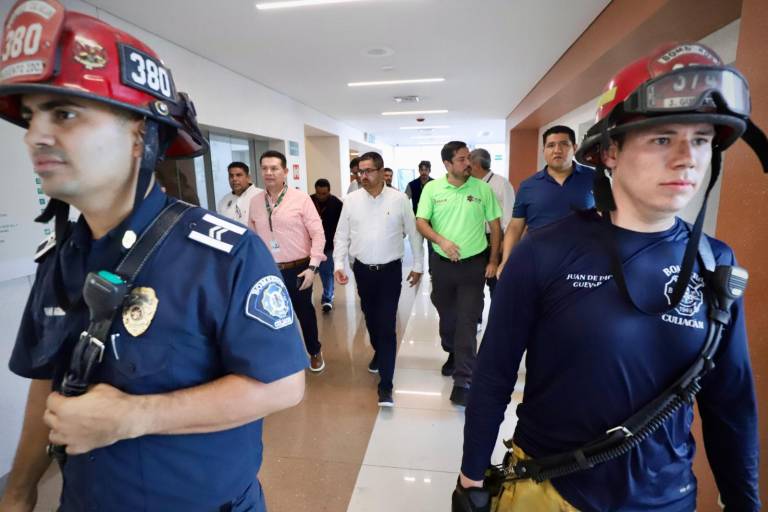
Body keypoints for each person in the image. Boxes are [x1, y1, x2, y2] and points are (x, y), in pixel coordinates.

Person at [0, 3, 307, 511]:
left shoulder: (223, 254)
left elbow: (283, 385)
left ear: (140, 134)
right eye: (31, 117)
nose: (36, 136)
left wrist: (134, 416)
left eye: (65, 114)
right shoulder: (58, 258)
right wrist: (19, 490)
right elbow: (45, 382)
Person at [454, 42, 763, 512]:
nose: (687, 158)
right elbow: (494, 374)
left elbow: (731, 403)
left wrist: (744, 502)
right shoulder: (545, 252)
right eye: (663, 139)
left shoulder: (715, 262)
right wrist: (471, 479)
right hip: (551, 490)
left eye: (701, 140)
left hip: (668, 498)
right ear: (610, 151)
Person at [333, 152, 424, 406]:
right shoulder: (351, 201)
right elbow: (341, 235)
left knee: (386, 325)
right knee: (371, 320)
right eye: (359, 172)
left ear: (382, 171)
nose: (362, 176)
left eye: (368, 171)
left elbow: (414, 234)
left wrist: (418, 265)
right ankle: (380, 351)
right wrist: (338, 264)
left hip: (390, 272)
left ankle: (386, 385)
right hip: (362, 271)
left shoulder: (399, 199)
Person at [416, 141, 501, 406]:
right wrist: (441, 241)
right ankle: (452, 350)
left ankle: (463, 379)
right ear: (447, 164)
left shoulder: (482, 188)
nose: (468, 164)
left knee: (467, 320)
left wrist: (493, 260)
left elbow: (495, 226)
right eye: (462, 159)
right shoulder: (432, 189)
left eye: (469, 158)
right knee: (448, 317)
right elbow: (421, 222)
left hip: (474, 265)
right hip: (442, 264)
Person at [250, 150, 327, 372]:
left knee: (304, 312)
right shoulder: (255, 202)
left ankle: (314, 351)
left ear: (285, 171)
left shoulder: (301, 199)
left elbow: (318, 234)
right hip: (268, 269)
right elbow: (252, 237)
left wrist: (313, 267)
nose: (269, 172)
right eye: (265, 168)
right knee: (272, 315)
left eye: (274, 168)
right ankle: (282, 356)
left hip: (299, 268)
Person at [498, 126, 594, 276]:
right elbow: (515, 226)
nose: (557, 150)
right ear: (544, 150)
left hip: (582, 263)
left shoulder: (594, 179)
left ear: (574, 148)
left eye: (564, 144)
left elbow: (608, 218)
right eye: (551, 145)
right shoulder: (528, 186)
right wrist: (506, 261)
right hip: (538, 263)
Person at [469, 148, 515, 296]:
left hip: (495, 240)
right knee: (474, 286)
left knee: (496, 286)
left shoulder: (501, 184)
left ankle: (498, 311)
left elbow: (509, 218)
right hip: (475, 241)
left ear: (476, 165)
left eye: (468, 163)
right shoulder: (470, 185)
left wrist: (504, 243)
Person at [310, 178, 343, 312]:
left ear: (329, 191)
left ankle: (327, 299)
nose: (321, 196)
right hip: (310, 244)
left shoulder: (337, 204)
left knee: (326, 272)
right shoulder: (309, 201)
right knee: (309, 272)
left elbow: (341, 226)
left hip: (328, 245)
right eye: (318, 193)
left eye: (324, 194)